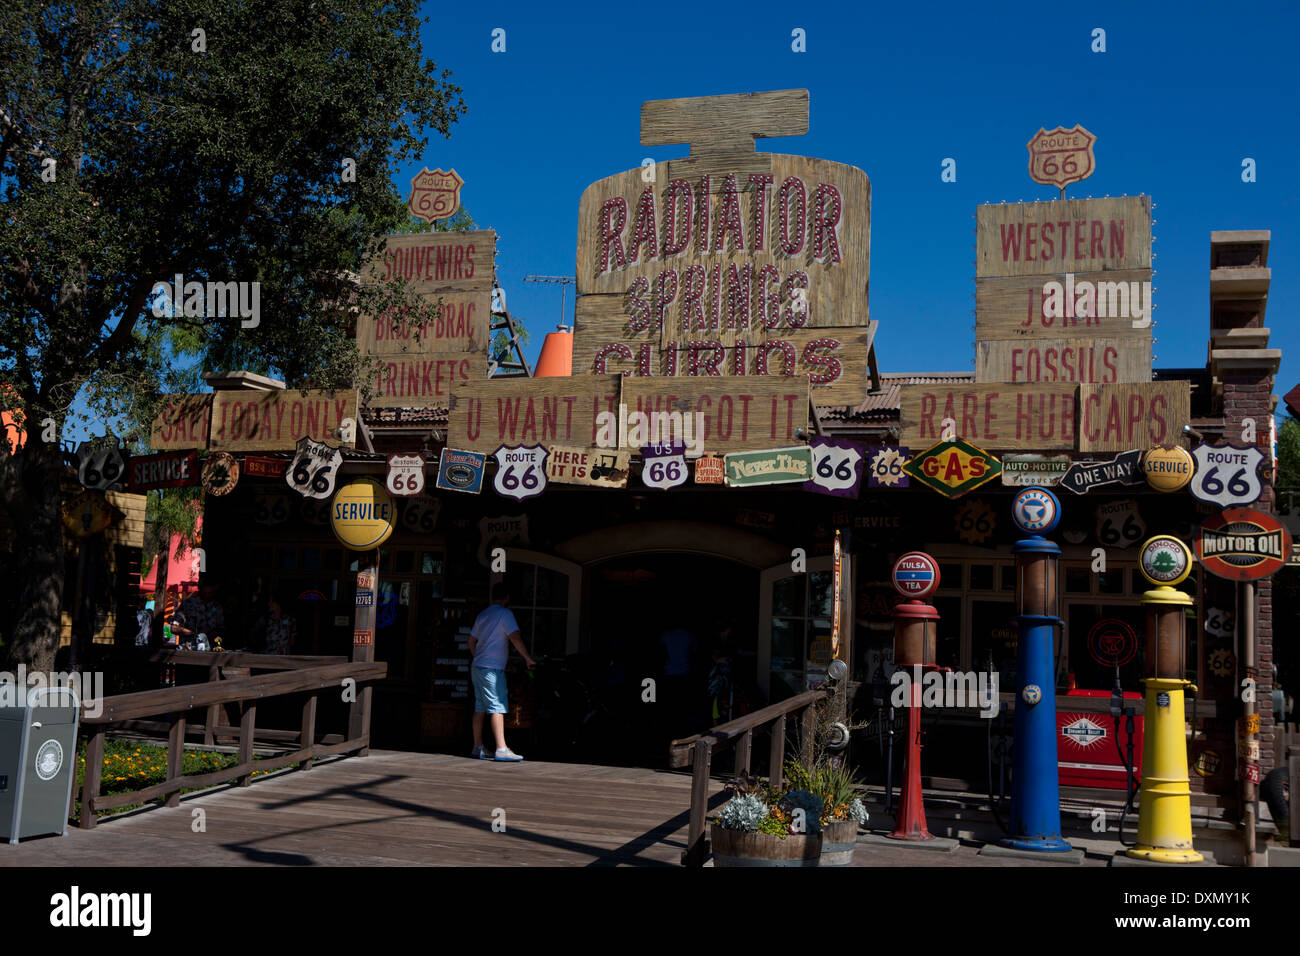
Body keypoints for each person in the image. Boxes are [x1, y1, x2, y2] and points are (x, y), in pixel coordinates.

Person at [468, 588, 535, 761]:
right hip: (492, 668)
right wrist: (528, 658)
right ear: (507, 597)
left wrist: (479, 657)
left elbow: (470, 640)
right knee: (497, 705)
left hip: (477, 667)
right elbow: (515, 637)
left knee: (480, 706)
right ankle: (501, 748)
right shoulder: (505, 614)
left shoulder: (482, 615)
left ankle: (478, 747)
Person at [172, 577, 225, 650]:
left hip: (209, 651)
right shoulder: (188, 604)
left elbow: (220, 630)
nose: (207, 595)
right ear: (200, 589)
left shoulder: (216, 607)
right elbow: (173, 628)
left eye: (210, 593)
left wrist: (211, 634)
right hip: (187, 650)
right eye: (205, 593)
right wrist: (192, 632)